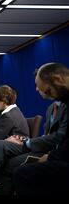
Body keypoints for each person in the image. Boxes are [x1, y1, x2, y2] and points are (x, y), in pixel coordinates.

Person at [13, 63, 69, 195]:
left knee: (22, 174)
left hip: (61, 155)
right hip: (57, 152)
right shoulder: (57, 105)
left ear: (58, 80)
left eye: (47, 90)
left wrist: (50, 157)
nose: (38, 90)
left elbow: (62, 137)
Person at [0, 100, 67, 194]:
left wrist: (26, 142)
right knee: (0, 158)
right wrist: (23, 140)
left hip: (54, 153)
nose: (36, 89)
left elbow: (58, 137)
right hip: (38, 147)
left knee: (2, 154)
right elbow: (47, 136)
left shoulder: (65, 107)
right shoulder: (51, 108)